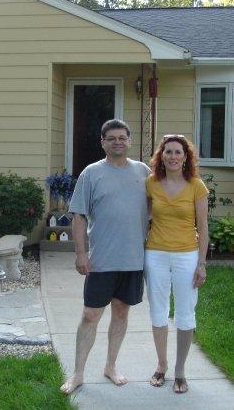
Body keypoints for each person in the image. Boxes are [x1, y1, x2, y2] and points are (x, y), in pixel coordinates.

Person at [60, 119, 150, 394]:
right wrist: (80, 253)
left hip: (134, 259)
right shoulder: (91, 173)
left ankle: (111, 366)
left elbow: (161, 208)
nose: (117, 142)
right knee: (90, 315)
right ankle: (77, 374)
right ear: (103, 142)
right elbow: (78, 216)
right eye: (111, 138)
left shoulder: (143, 172)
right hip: (101, 260)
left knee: (121, 313)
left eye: (122, 137)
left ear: (129, 141)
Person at [144, 134, 209, 394]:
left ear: (186, 157)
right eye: (168, 152)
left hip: (187, 255)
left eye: (177, 152)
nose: (172, 157)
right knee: (158, 311)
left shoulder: (197, 186)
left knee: (185, 313)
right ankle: (162, 365)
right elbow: (144, 217)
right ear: (161, 156)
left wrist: (201, 263)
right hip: (156, 254)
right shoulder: (151, 184)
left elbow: (203, 226)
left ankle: (180, 371)